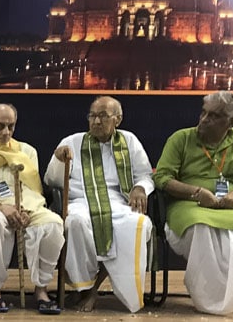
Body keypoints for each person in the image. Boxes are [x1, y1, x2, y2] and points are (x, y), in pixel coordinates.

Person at [153, 91, 233, 315]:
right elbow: (162, 178)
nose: (204, 120)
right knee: (202, 227)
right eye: (203, 113)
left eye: (214, 116)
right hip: (188, 203)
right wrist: (196, 192)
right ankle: (208, 298)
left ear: (231, 122)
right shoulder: (182, 138)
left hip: (232, 203)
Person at [44, 96, 152, 312]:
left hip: (119, 202)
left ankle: (93, 290)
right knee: (75, 222)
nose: (96, 121)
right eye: (92, 116)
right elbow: (52, 181)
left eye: (103, 116)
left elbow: (145, 175)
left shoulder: (129, 141)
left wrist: (140, 188)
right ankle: (83, 289)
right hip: (80, 201)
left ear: (118, 119)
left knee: (138, 224)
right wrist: (58, 160)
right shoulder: (72, 141)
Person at [0, 103, 63, 314]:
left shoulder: (26, 151)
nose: (6, 132)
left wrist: (24, 209)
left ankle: (42, 290)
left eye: (11, 126)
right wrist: (1, 207)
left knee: (53, 223)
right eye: (0, 126)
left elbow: (33, 188)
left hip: (28, 208)